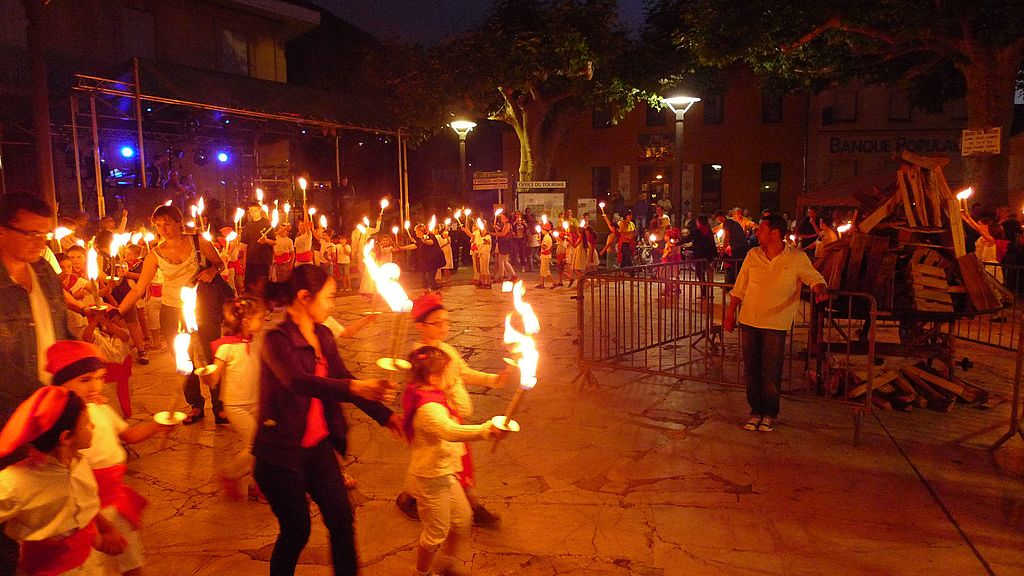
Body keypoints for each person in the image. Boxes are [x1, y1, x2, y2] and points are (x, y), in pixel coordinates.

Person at [254, 265, 399, 576]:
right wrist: (355, 387)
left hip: (318, 449)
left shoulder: (323, 334)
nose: (333, 304)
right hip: (280, 453)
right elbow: (297, 381)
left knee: (341, 521)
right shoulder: (275, 340)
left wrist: (387, 416)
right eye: (329, 297)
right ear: (305, 297)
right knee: (297, 531)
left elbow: (342, 378)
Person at [47, 340, 163, 575]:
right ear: (61, 383)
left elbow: (128, 435)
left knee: (131, 553)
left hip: (114, 497)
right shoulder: (63, 423)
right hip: (85, 506)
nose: (95, 386)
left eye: (99, 377)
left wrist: (158, 425)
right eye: (85, 380)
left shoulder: (101, 409)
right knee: (89, 563)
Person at [395, 294, 509, 526]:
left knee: (438, 461)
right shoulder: (421, 357)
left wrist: (493, 380)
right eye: (437, 323)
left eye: (446, 321)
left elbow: (463, 372)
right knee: (438, 460)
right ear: (420, 326)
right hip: (437, 418)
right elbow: (417, 390)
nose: (444, 327)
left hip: (451, 416)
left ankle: (410, 497)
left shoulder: (447, 350)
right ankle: (471, 505)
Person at [115, 204, 227, 425]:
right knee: (183, 358)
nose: (163, 229)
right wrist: (118, 311)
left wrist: (210, 271)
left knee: (209, 354)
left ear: (178, 222)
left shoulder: (198, 242)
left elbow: (219, 263)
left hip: (201, 308)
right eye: (158, 225)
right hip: (172, 310)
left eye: (167, 223)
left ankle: (219, 404)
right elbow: (139, 288)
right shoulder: (155, 254)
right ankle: (195, 404)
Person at [401, 346, 507, 576]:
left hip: (446, 472)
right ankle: (421, 573)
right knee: (436, 532)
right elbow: (449, 431)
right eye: (450, 372)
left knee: (463, 519)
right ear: (433, 377)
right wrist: (486, 430)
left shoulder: (432, 393)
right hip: (431, 477)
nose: (454, 375)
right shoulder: (428, 408)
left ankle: (445, 565)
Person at [0, 386, 128, 574]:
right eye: (86, 423)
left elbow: (84, 506)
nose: (93, 426)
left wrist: (104, 530)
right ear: (66, 437)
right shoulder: (16, 482)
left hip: (89, 565)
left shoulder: (78, 462)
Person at [725, 214, 827, 432]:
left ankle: (769, 414)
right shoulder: (753, 255)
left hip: (776, 323)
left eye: (761, 229)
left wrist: (819, 288)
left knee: (771, 371)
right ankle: (755, 411)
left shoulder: (797, 257)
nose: (756, 233)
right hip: (749, 320)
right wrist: (730, 312)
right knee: (751, 370)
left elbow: (813, 277)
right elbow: (740, 286)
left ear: (775, 233)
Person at [204, 297, 264, 500]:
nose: (263, 321)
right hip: (236, 405)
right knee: (256, 443)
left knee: (261, 444)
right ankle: (230, 474)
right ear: (246, 321)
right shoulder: (226, 347)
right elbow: (214, 379)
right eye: (260, 318)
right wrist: (207, 374)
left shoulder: (256, 342)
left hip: (255, 401)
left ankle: (257, 485)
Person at [241, 202, 274, 296]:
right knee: (249, 288)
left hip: (263, 261)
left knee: (262, 288)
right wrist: (243, 263)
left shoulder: (267, 223)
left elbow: (274, 242)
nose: (253, 213)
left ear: (259, 210)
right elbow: (244, 246)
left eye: (255, 210)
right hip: (250, 262)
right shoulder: (247, 226)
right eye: (251, 211)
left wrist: (266, 240)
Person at [715, 210, 748, 284]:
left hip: (737, 248)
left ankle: (730, 285)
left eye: (717, 218)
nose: (717, 220)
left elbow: (727, 237)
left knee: (733, 267)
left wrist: (723, 249)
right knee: (738, 267)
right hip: (743, 247)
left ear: (720, 217)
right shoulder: (733, 223)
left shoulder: (727, 223)